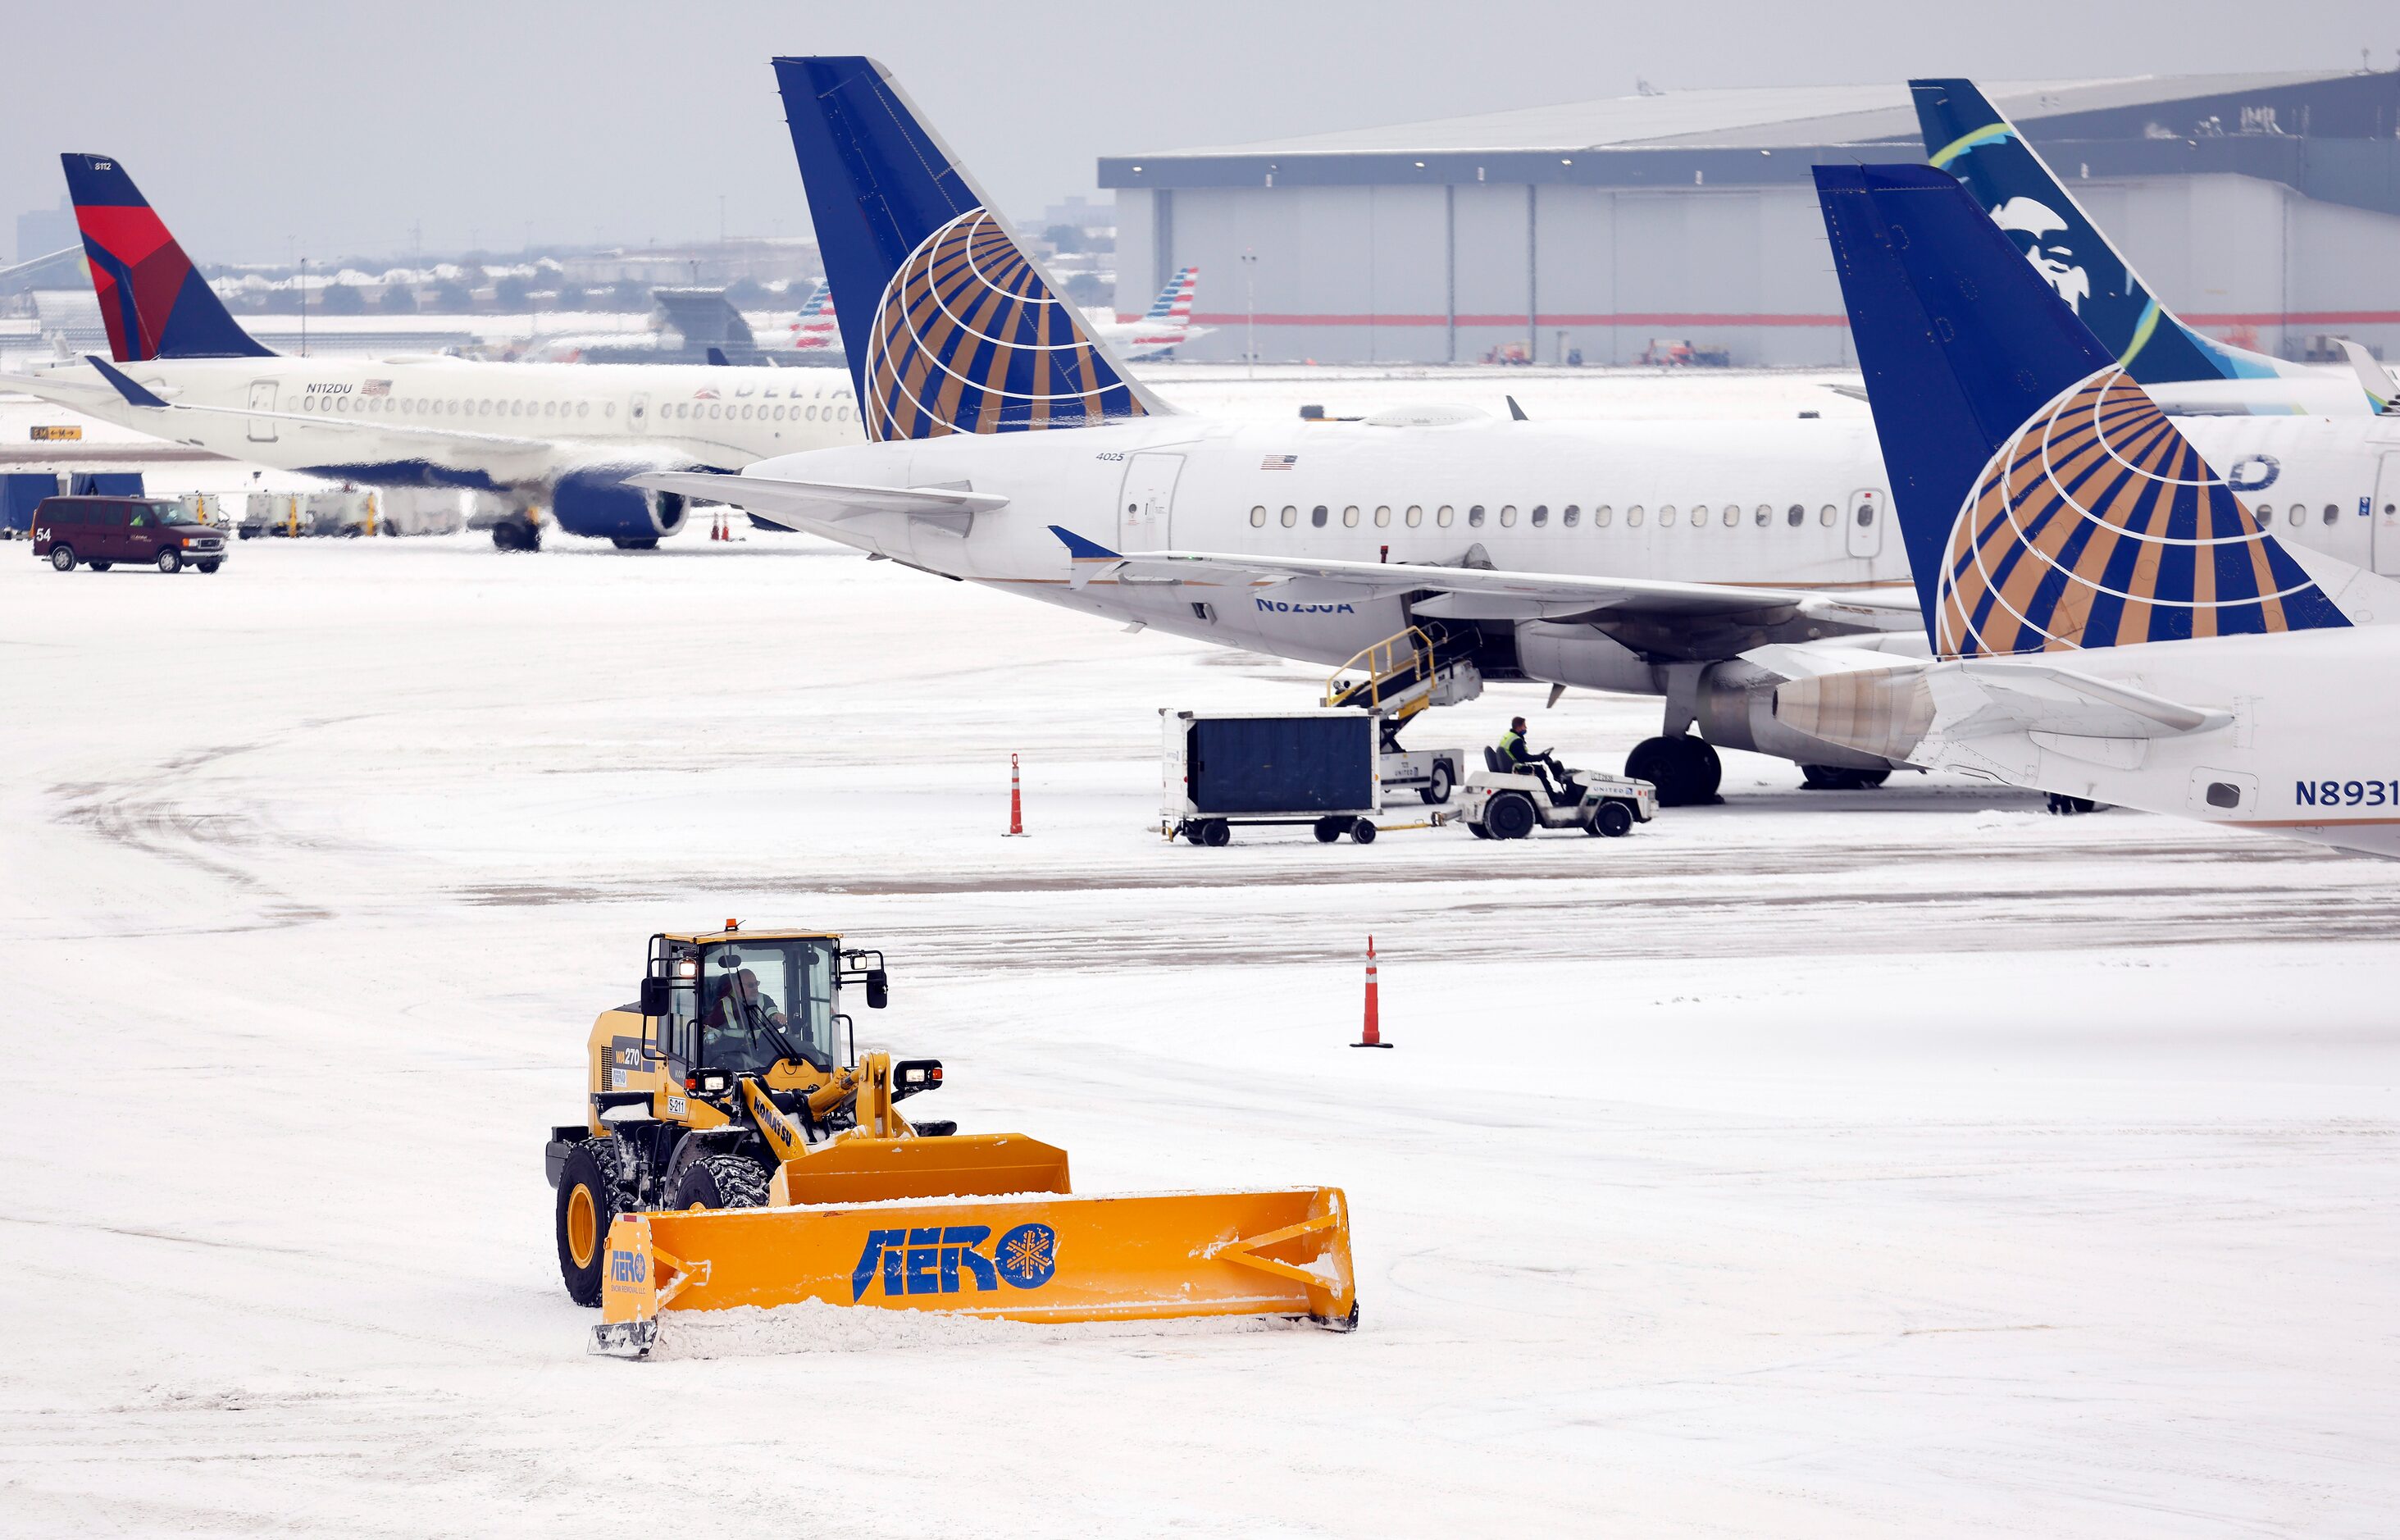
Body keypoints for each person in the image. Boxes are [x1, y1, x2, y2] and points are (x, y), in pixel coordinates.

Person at [1499, 716, 1577, 802]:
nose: (1526, 728)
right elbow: (1524, 757)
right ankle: (1551, 796)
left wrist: (1540, 756)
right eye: (1524, 726)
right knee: (1540, 770)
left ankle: (1549, 794)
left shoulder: (1508, 736)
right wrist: (1540, 757)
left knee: (1539, 769)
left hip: (1512, 764)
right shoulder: (1516, 740)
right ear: (1519, 727)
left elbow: (1521, 756)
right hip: (1517, 767)